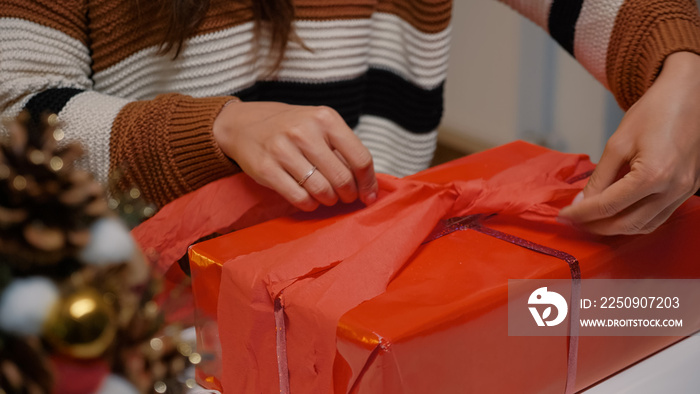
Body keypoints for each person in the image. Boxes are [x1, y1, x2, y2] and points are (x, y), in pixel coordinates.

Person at [1, 0, 699, 236]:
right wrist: (217, 127)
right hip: (145, 317)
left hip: (369, 296)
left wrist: (683, 69)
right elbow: (14, 119)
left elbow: (627, 11)